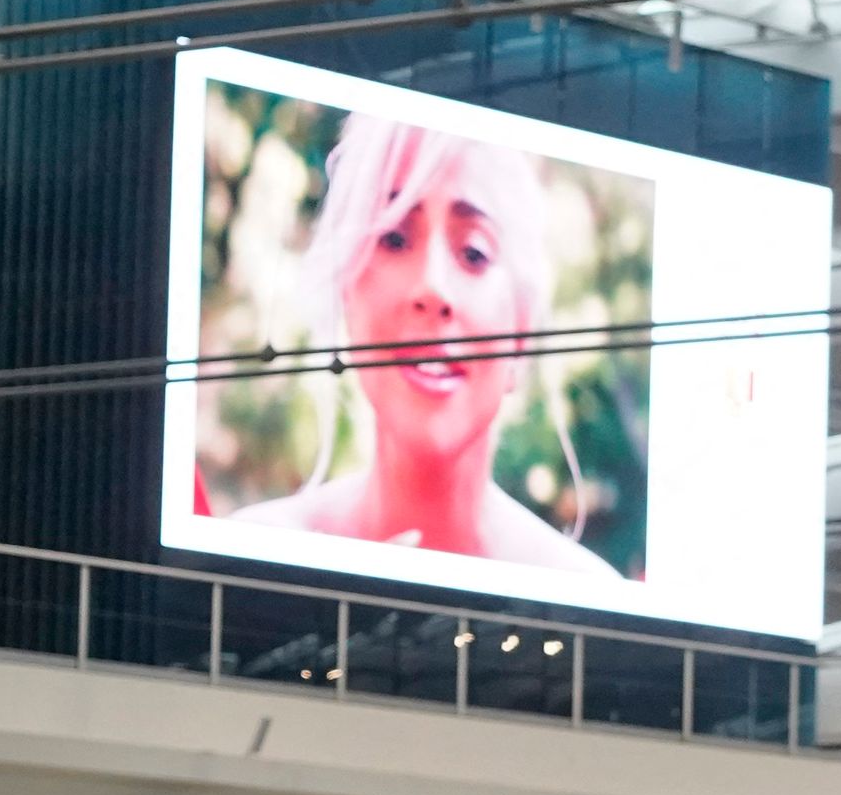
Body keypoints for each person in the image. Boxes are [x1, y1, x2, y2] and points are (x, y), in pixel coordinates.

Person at [234, 113, 616, 575]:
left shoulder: (586, 589)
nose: (433, 287)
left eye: (474, 252)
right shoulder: (251, 551)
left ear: (521, 330)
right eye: (394, 237)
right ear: (347, 294)